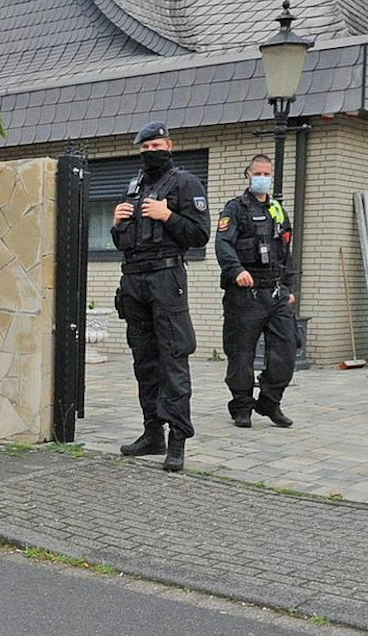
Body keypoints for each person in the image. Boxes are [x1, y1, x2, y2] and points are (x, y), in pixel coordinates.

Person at [111, 121, 211, 472]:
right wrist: (116, 223)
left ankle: (177, 440)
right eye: (145, 148)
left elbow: (199, 234)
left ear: (169, 146)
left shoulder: (185, 183)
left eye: (156, 147)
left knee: (173, 358)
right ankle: (152, 433)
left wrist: (167, 215)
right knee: (145, 361)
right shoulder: (135, 185)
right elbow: (123, 242)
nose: (150, 153)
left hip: (166, 279)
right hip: (134, 280)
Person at [213, 154, 299, 429]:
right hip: (245, 294)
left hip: (275, 293)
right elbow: (223, 244)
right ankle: (242, 406)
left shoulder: (277, 210)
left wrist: (289, 287)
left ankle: (269, 401)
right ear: (248, 175)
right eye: (257, 173)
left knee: (287, 349)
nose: (263, 178)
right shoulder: (235, 208)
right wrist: (236, 270)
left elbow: (285, 252)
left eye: (267, 174)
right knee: (241, 354)